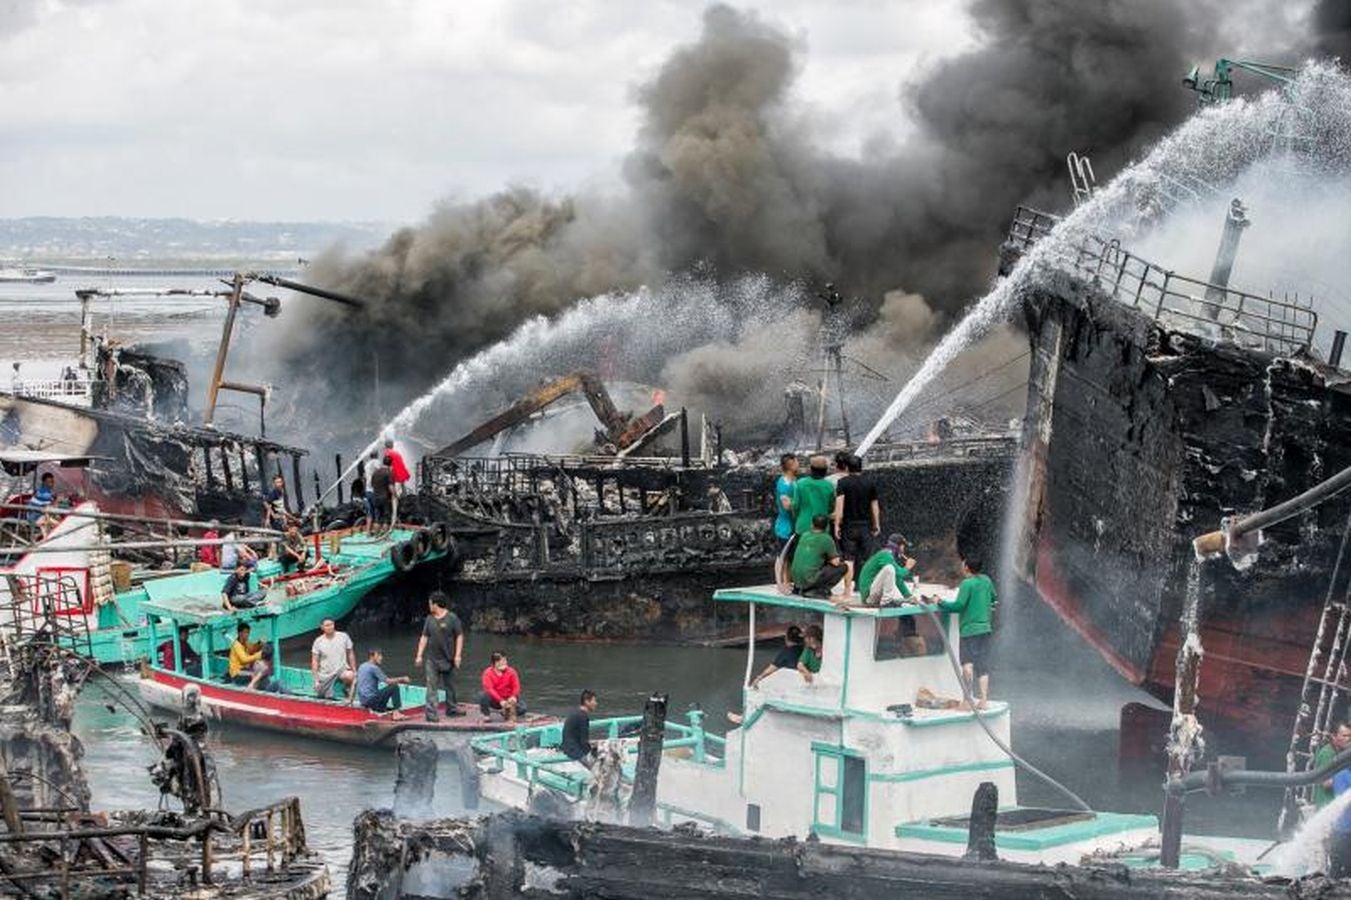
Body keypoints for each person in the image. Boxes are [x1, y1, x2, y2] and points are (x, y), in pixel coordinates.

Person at [938, 556, 998, 709]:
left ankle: (967, 700)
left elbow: (958, 606)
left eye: (963, 565)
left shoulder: (967, 584)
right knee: (982, 666)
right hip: (985, 629)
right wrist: (988, 609)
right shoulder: (986, 580)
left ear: (966, 568)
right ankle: (984, 701)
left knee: (967, 664)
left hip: (969, 631)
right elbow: (994, 599)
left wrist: (939, 602)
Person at [414, 591, 464, 722]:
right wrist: (419, 655)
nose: (429, 606)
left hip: (449, 658)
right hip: (432, 660)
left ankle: (452, 708)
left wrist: (458, 655)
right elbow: (424, 637)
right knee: (431, 687)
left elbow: (459, 636)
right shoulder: (429, 619)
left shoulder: (452, 618)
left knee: (451, 686)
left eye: (430, 603)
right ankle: (431, 713)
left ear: (436, 604)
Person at [833, 455, 880, 571]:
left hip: (849, 526)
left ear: (847, 468)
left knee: (849, 559)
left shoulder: (842, 482)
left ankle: (848, 588)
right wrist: (877, 524)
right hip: (866, 525)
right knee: (867, 557)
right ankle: (864, 585)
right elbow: (874, 505)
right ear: (861, 467)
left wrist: (837, 524)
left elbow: (840, 505)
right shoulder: (870, 482)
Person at [790, 515, 848, 598]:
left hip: (795, 579)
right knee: (843, 567)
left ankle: (799, 588)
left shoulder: (804, 535)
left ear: (812, 525)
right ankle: (817, 590)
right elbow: (836, 562)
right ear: (827, 527)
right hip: (809, 579)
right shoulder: (826, 539)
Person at [856, 534, 915, 606]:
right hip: (868, 596)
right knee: (889, 568)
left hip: (872, 594)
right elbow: (899, 573)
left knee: (891, 569)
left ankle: (886, 601)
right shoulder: (886, 555)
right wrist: (907, 567)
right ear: (898, 546)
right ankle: (886, 602)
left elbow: (898, 578)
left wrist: (909, 596)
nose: (904, 549)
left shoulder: (887, 555)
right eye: (903, 546)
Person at [311, 618, 357, 700]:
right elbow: (315, 661)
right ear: (322, 627)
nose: (329, 627)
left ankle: (346, 687)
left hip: (341, 670)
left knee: (350, 675)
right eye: (327, 625)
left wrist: (354, 670)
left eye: (331, 625)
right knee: (323, 694)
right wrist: (316, 680)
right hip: (326, 673)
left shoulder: (343, 636)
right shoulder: (318, 641)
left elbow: (350, 653)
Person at [356, 648, 409, 717]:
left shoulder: (361, 666)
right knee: (394, 687)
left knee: (381, 694)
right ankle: (397, 712)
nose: (381, 658)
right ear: (372, 656)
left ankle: (382, 710)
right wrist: (403, 679)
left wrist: (350, 700)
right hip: (371, 700)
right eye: (378, 655)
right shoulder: (374, 668)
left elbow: (355, 682)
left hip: (364, 702)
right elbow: (388, 681)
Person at [791, 455, 836, 536]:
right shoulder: (829, 486)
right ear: (825, 471)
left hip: (803, 527)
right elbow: (831, 507)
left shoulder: (800, 483)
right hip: (822, 528)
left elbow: (795, 506)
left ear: (811, 469)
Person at [479, 651, 526, 721]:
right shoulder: (487, 673)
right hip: (495, 700)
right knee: (483, 695)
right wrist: (501, 700)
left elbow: (516, 686)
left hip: (509, 698)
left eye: (504, 661)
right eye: (499, 662)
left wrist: (513, 696)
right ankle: (486, 715)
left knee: (523, 709)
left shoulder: (511, 671)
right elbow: (490, 689)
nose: (503, 664)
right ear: (494, 663)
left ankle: (505, 712)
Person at [1315, 722, 1351, 808]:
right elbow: (1325, 783)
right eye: (1344, 736)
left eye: (1350, 736)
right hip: (1327, 807)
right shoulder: (1327, 753)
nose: (1349, 739)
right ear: (1334, 736)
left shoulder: (1343, 753)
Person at [561, 690, 598, 767]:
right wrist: (593, 752)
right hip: (574, 750)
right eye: (594, 701)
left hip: (567, 747)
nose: (596, 703)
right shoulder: (583, 716)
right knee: (599, 767)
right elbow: (584, 741)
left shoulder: (576, 712)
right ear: (587, 702)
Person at [772, 454, 798, 549]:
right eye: (796, 462)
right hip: (785, 529)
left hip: (792, 527)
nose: (798, 464)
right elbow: (786, 505)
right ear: (791, 465)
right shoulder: (784, 484)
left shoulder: (793, 480)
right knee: (783, 560)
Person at [1332, 765, 1351, 876]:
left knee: (1336, 869)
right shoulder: (1345, 776)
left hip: (1338, 829)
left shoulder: (1339, 773)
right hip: (1346, 831)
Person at [369, 458, 393, 536]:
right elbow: (391, 487)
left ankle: (376, 535)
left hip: (375, 497)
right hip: (384, 497)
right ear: (390, 464)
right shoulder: (388, 472)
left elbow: (372, 485)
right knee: (386, 518)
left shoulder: (375, 472)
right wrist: (395, 495)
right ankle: (385, 537)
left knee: (377, 518)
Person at [361, 450, 380, 531]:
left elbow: (365, 477)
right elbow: (381, 472)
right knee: (377, 512)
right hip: (374, 490)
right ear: (376, 455)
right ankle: (376, 533)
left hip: (367, 490)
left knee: (369, 512)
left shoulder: (367, 465)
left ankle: (368, 532)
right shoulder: (376, 462)